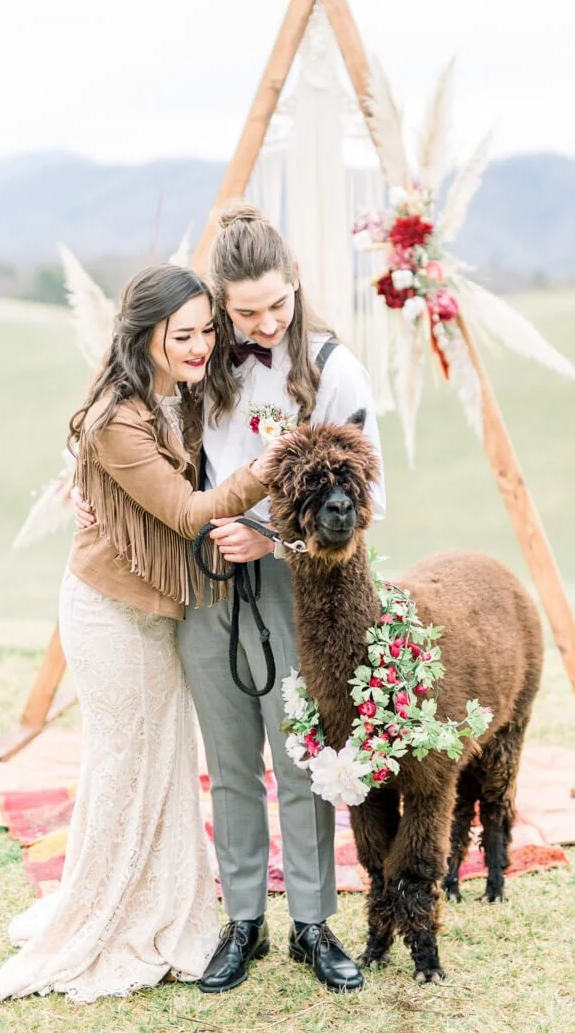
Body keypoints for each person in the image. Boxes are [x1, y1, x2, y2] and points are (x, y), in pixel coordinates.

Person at [0, 264, 275, 1007]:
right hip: (109, 612)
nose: (202, 345)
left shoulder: (184, 389)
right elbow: (186, 512)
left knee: (166, 759)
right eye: (184, 335)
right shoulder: (118, 416)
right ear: (145, 337)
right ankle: (104, 915)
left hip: (160, 608)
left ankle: (160, 903)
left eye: (207, 330)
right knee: (122, 762)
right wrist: (270, 468)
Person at [180, 201, 386, 994]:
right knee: (229, 758)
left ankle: (311, 921)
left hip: (295, 583)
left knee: (299, 753)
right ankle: (243, 920)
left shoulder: (335, 371)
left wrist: (270, 536)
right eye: (246, 313)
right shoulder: (197, 363)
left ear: (296, 279)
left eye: (277, 304)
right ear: (220, 304)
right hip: (204, 578)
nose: (266, 323)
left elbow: (368, 500)